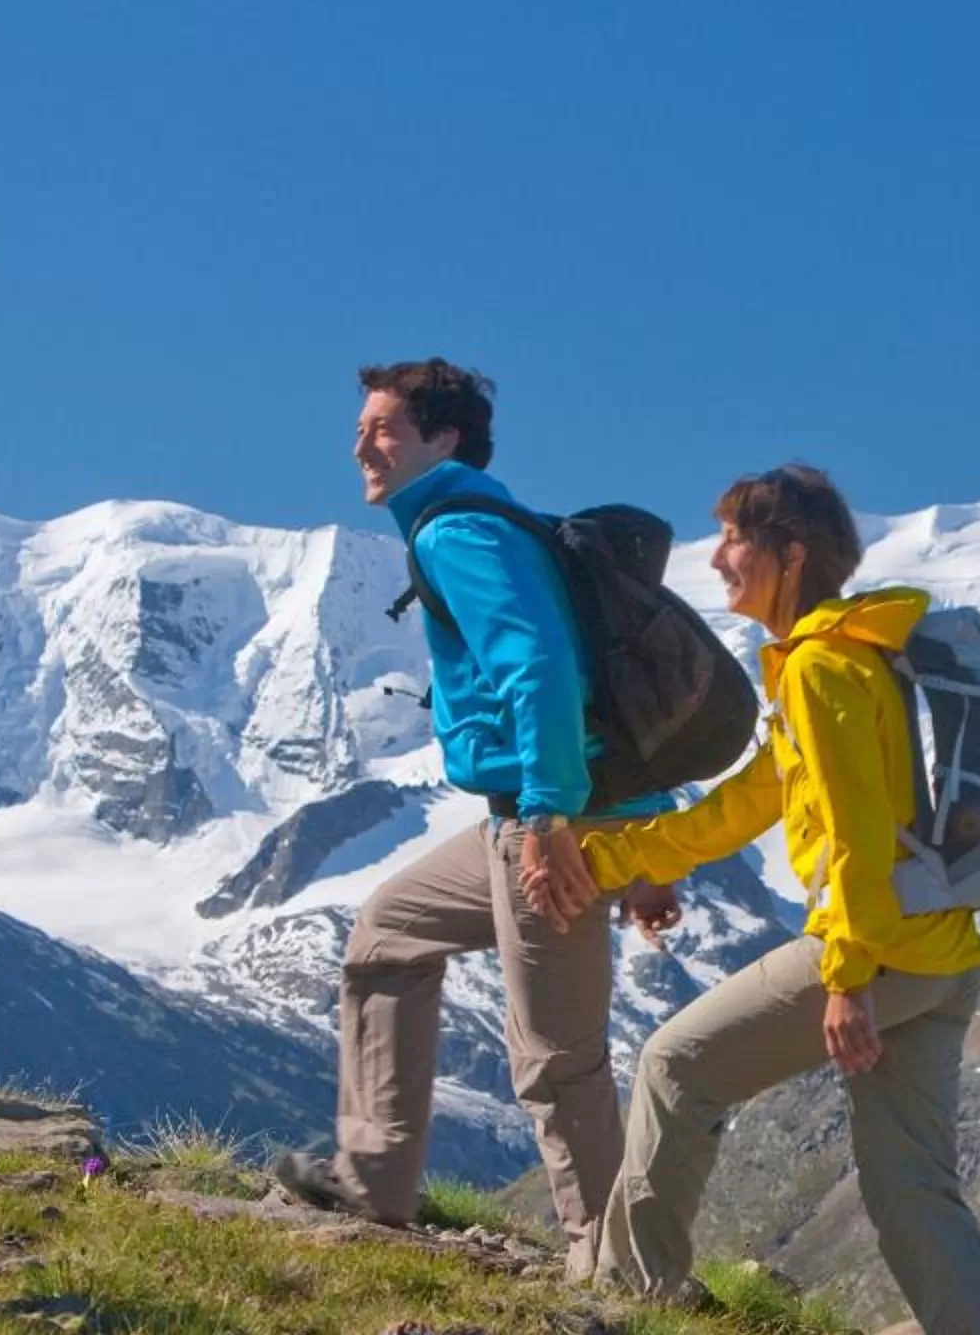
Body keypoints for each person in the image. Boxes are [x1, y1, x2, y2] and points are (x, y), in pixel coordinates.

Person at [526, 464, 980, 1335]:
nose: (717, 557)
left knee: (675, 1066)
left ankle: (629, 1315)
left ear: (789, 554)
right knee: (911, 1187)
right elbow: (740, 808)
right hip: (939, 956)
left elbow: (850, 833)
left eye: (733, 538)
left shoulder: (819, 668)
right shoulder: (846, 659)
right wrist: (609, 861)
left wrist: (845, 978)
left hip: (874, 949)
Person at [269, 358, 676, 1279]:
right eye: (364, 427)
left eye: (384, 429)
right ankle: (371, 1182)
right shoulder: (485, 524)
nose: (362, 445)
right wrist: (644, 845)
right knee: (388, 933)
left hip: (545, 819)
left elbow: (540, 671)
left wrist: (545, 821)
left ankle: (616, 1265)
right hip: (569, 810)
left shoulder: (459, 533)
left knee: (555, 1055)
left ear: (442, 440)